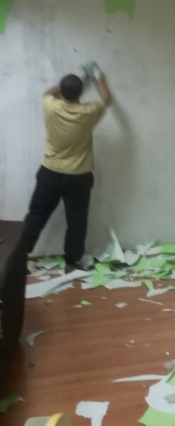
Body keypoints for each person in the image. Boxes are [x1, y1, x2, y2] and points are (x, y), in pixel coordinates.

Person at [24, 66, 112, 273]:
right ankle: (72, 263)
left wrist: (78, 74)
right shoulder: (88, 112)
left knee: (36, 215)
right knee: (76, 221)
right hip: (78, 177)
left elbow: (49, 92)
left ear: (62, 92)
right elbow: (106, 99)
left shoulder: (51, 105)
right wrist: (97, 77)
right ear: (81, 93)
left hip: (50, 172)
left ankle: (19, 259)